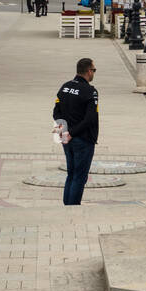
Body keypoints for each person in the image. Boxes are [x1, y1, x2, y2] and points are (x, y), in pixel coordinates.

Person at [52, 56, 99, 206]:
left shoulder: (64, 87)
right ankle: (72, 209)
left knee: (71, 174)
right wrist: (72, 133)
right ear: (88, 71)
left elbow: (56, 113)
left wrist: (63, 133)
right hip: (83, 139)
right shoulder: (90, 91)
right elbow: (90, 118)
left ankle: (66, 206)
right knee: (79, 176)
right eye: (94, 70)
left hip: (65, 138)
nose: (94, 73)